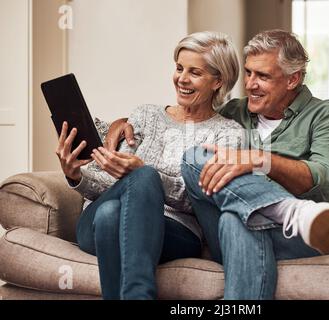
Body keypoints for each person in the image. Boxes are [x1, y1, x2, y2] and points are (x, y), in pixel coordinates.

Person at [106, 29, 329, 299]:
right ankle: (287, 209)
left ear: (293, 79)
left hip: (312, 235)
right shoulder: (235, 112)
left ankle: (295, 215)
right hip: (224, 231)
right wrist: (124, 123)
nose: (250, 84)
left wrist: (261, 160)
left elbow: (325, 178)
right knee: (195, 157)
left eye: (263, 76)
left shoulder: (325, 114)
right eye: (248, 73)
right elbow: (186, 115)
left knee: (237, 219)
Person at [55, 31, 244, 300]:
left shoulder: (228, 134)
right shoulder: (145, 115)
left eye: (195, 72)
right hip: (92, 224)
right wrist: (75, 176)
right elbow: (103, 184)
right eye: (179, 68)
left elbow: (206, 199)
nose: (182, 79)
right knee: (120, 198)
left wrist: (146, 173)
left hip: (176, 231)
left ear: (219, 81)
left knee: (118, 207)